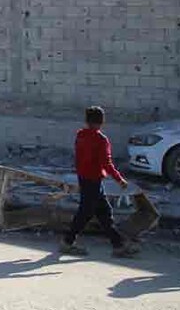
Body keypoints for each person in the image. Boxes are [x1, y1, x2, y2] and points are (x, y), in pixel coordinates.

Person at [59, 106, 140, 258]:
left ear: (87, 120)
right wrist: (119, 180)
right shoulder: (101, 139)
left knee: (103, 212)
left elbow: (78, 158)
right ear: (102, 121)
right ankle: (67, 242)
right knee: (86, 213)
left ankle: (118, 245)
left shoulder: (81, 135)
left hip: (84, 178)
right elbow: (107, 163)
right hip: (94, 180)